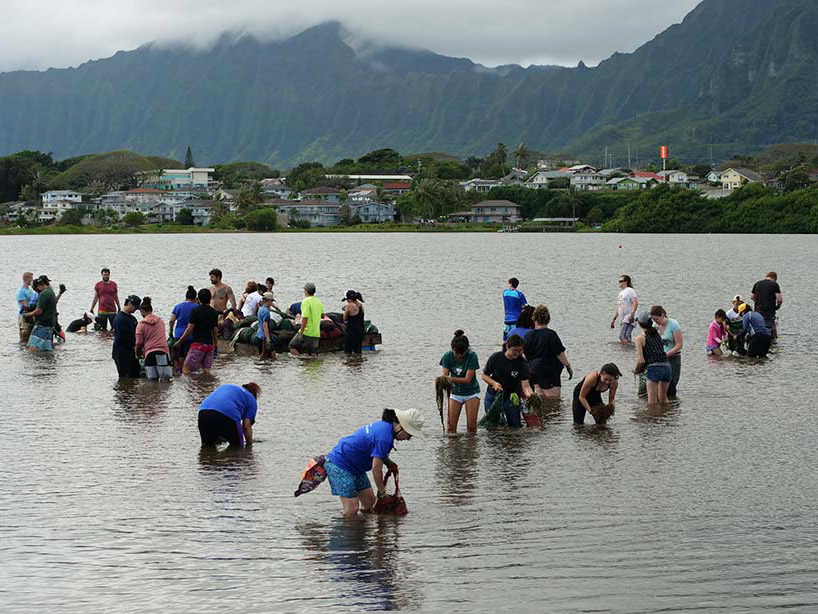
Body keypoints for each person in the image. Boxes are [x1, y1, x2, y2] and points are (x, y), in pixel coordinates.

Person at [325, 408, 425, 517]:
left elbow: (374, 450)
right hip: (339, 465)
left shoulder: (386, 427)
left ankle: (362, 530)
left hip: (356, 468)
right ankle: (345, 532)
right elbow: (376, 470)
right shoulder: (384, 439)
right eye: (409, 435)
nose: (407, 439)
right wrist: (382, 493)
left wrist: (388, 462)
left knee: (369, 503)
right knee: (352, 509)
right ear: (400, 427)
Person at [481, 334, 533, 428]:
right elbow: (484, 376)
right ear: (507, 347)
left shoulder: (522, 363)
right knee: (492, 426)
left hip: (512, 397)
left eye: (520, 350)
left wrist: (531, 396)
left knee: (515, 427)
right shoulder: (495, 358)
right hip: (494, 396)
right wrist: (494, 383)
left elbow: (525, 385)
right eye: (515, 350)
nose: (517, 353)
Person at [523, 305, 573, 398]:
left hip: (533, 370)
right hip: (549, 371)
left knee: (540, 397)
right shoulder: (551, 334)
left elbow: (525, 356)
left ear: (534, 319)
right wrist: (568, 367)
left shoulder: (528, 335)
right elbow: (560, 353)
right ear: (548, 319)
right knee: (553, 400)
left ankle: (540, 412)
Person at [440, 330, 481, 433]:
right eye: (457, 354)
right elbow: (445, 376)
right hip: (455, 393)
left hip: (471, 393)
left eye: (462, 354)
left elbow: (467, 380)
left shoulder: (472, 356)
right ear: (452, 348)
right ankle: (452, 447)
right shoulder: (447, 356)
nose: (459, 356)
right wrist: (443, 381)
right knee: (450, 427)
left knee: (471, 427)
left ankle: (471, 448)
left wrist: (451, 379)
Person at [198, 383, 261, 448]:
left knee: (207, 448)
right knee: (238, 449)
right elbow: (246, 426)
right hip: (228, 415)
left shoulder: (227, 387)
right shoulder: (251, 399)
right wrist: (249, 445)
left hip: (203, 413)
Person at [176, 288, 220, 375]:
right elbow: (215, 331)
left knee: (186, 369)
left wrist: (180, 342)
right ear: (210, 298)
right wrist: (216, 346)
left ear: (198, 299)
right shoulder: (214, 312)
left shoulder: (195, 311)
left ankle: (192, 388)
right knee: (206, 371)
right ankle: (206, 387)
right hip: (209, 346)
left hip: (198, 345)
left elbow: (190, 328)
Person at [634, 311, 671, 404]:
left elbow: (641, 360)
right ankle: (668, 417)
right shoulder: (657, 334)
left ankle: (654, 418)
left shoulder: (640, 338)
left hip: (654, 369)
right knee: (664, 398)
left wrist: (636, 370)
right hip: (667, 367)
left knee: (652, 402)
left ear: (639, 323)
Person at [135, 297, 172, 381]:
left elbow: (139, 343)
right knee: (165, 381)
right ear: (151, 310)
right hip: (162, 352)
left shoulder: (141, 325)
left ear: (142, 311)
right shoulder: (160, 321)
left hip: (150, 354)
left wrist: (138, 353)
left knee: (152, 382)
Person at [650, 306, 683, 397]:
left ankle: (672, 407)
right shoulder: (654, 326)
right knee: (658, 386)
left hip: (673, 358)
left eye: (657, 319)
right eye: (653, 319)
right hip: (659, 359)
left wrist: (666, 354)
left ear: (663, 315)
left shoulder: (673, 324)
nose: (655, 321)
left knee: (671, 385)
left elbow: (679, 345)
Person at [289, 282, 324, 356]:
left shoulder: (305, 302)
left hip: (306, 331)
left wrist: (301, 332)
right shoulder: (319, 302)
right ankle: (310, 364)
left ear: (306, 291)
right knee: (312, 353)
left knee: (292, 346)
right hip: (316, 333)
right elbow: (322, 316)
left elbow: (305, 318)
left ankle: (301, 360)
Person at [26, 276, 58, 352]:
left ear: (39, 286)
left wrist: (28, 315)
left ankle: (35, 363)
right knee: (46, 349)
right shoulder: (51, 291)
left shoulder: (43, 294)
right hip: (50, 324)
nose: (37, 292)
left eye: (36, 289)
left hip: (42, 324)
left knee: (32, 348)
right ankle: (46, 363)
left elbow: (39, 311)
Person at [112, 295, 142, 378]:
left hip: (131, 352)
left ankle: (129, 390)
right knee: (125, 376)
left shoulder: (132, 319)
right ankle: (123, 390)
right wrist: (134, 346)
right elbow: (123, 338)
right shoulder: (120, 319)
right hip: (122, 352)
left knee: (135, 374)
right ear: (129, 304)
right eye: (135, 307)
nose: (135, 310)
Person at [751, 272, 783, 338]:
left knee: (759, 325)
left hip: (758, 309)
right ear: (775, 278)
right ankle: (773, 341)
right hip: (769, 310)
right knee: (771, 326)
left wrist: (758, 301)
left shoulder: (757, 283)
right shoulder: (774, 284)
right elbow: (779, 299)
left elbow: (752, 297)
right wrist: (778, 306)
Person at [169, 286, 198, 354]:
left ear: (186, 297)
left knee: (179, 357)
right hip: (192, 336)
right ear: (195, 298)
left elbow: (171, 321)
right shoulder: (197, 307)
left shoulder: (178, 306)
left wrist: (171, 330)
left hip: (179, 334)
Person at [611, 274, 638, 343]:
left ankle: (626, 350)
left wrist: (632, 314)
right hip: (623, 317)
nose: (619, 283)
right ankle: (628, 351)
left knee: (622, 336)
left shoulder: (630, 290)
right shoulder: (620, 293)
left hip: (629, 316)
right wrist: (614, 319)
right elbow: (619, 306)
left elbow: (635, 302)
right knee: (627, 335)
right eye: (619, 281)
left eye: (621, 281)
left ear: (626, 282)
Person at [255, 292, 277, 359]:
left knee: (262, 354)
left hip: (259, 335)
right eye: (271, 301)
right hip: (264, 336)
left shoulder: (261, 309)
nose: (272, 303)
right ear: (268, 300)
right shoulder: (266, 312)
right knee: (268, 355)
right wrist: (268, 339)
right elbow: (265, 325)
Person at [343, 290, 365, 355]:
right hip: (360, 330)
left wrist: (345, 311)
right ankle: (358, 363)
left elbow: (344, 318)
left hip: (352, 331)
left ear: (349, 299)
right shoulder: (360, 305)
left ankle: (351, 363)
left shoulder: (349, 305)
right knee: (358, 351)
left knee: (348, 351)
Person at [16, 271, 37, 342]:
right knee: (24, 336)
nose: (32, 280)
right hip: (24, 316)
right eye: (31, 278)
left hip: (31, 315)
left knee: (31, 336)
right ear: (27, 279)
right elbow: (24, 305)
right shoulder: (21, 291)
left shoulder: (30, 290)